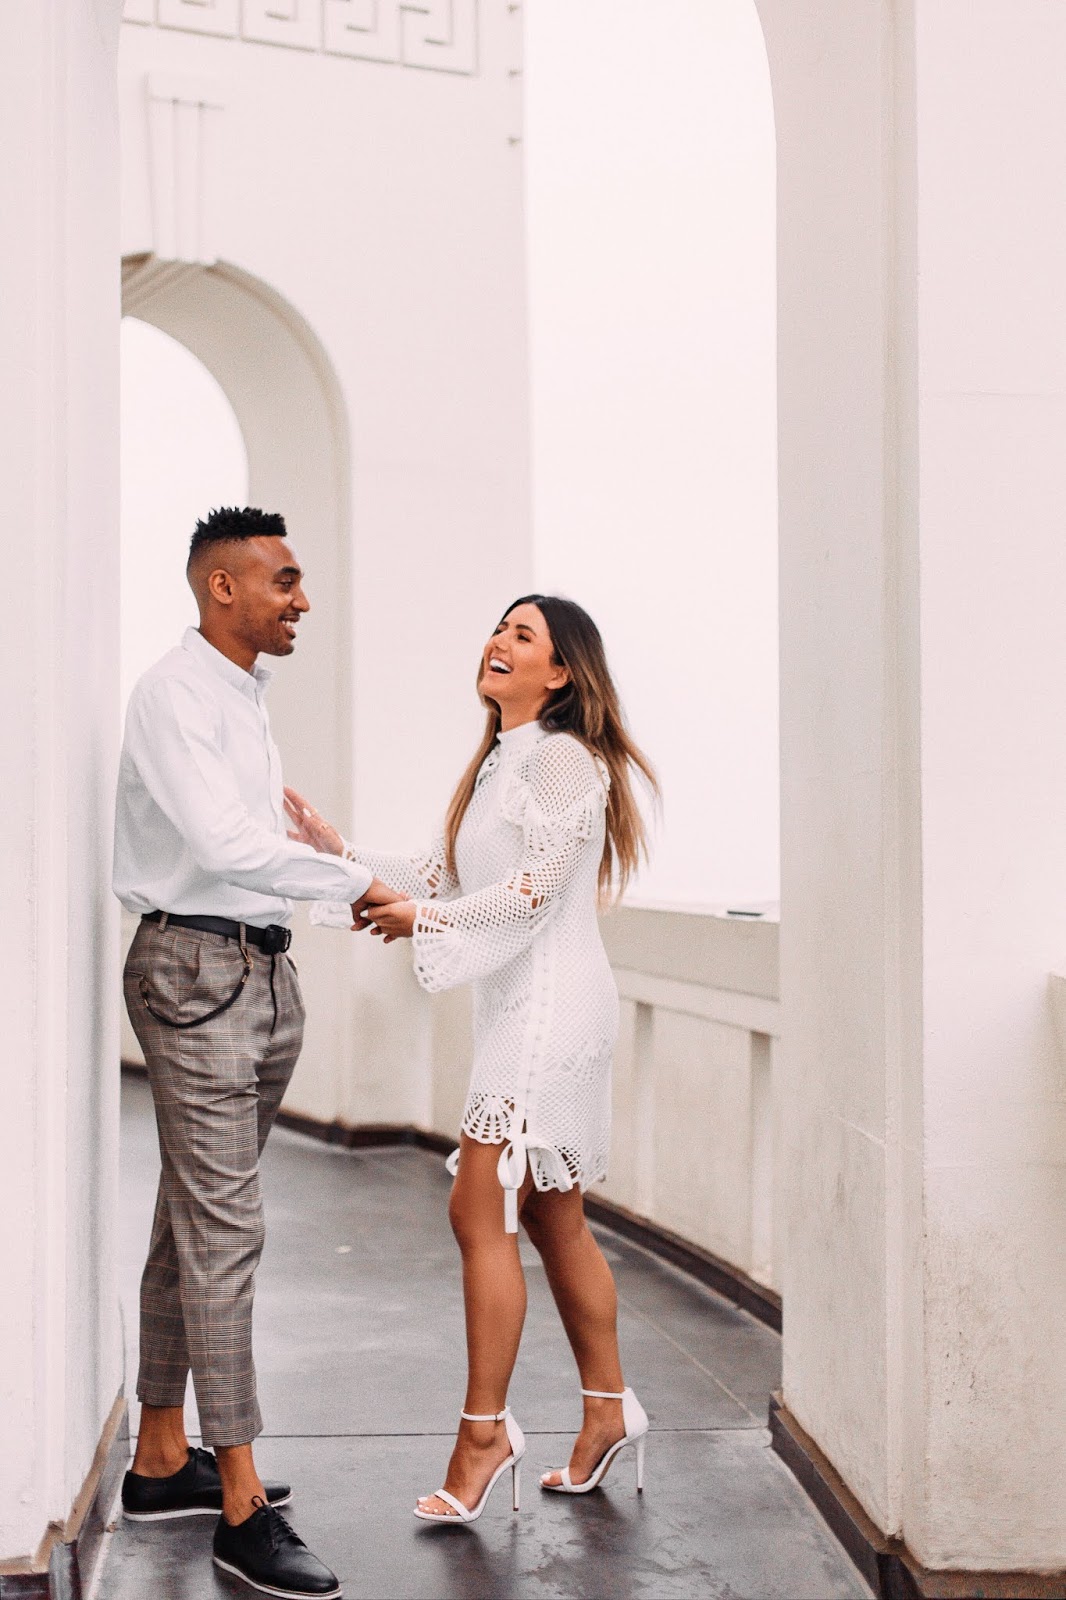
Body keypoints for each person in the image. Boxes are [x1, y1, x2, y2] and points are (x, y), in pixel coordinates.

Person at [285, 594, 659, 1523]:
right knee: (554, 1217)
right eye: (499, 627)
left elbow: (534, 892)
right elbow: (443, 874)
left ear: (561, 672)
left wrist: (427, 919)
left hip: (553, 1007)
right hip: (520, 1006)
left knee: (480, 1203)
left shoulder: (564, 759)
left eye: (523, 635)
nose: (498, 641)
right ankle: (608, 1411)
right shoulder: (500, 761)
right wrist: (341, 856)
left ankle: (484, 1434)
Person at [113, 507, 398, 1598]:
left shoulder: (240, 697)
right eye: (285, 580)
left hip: (256, 973)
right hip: (196, 972)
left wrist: (325, 879)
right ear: (221, 586)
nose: (302, 600)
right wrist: (359, 882)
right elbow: (226, 846)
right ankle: (238, 1505)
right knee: (226, 1231)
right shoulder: (173, 696)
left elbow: (258, 849)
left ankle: (158, 1458)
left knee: (191, 1220)